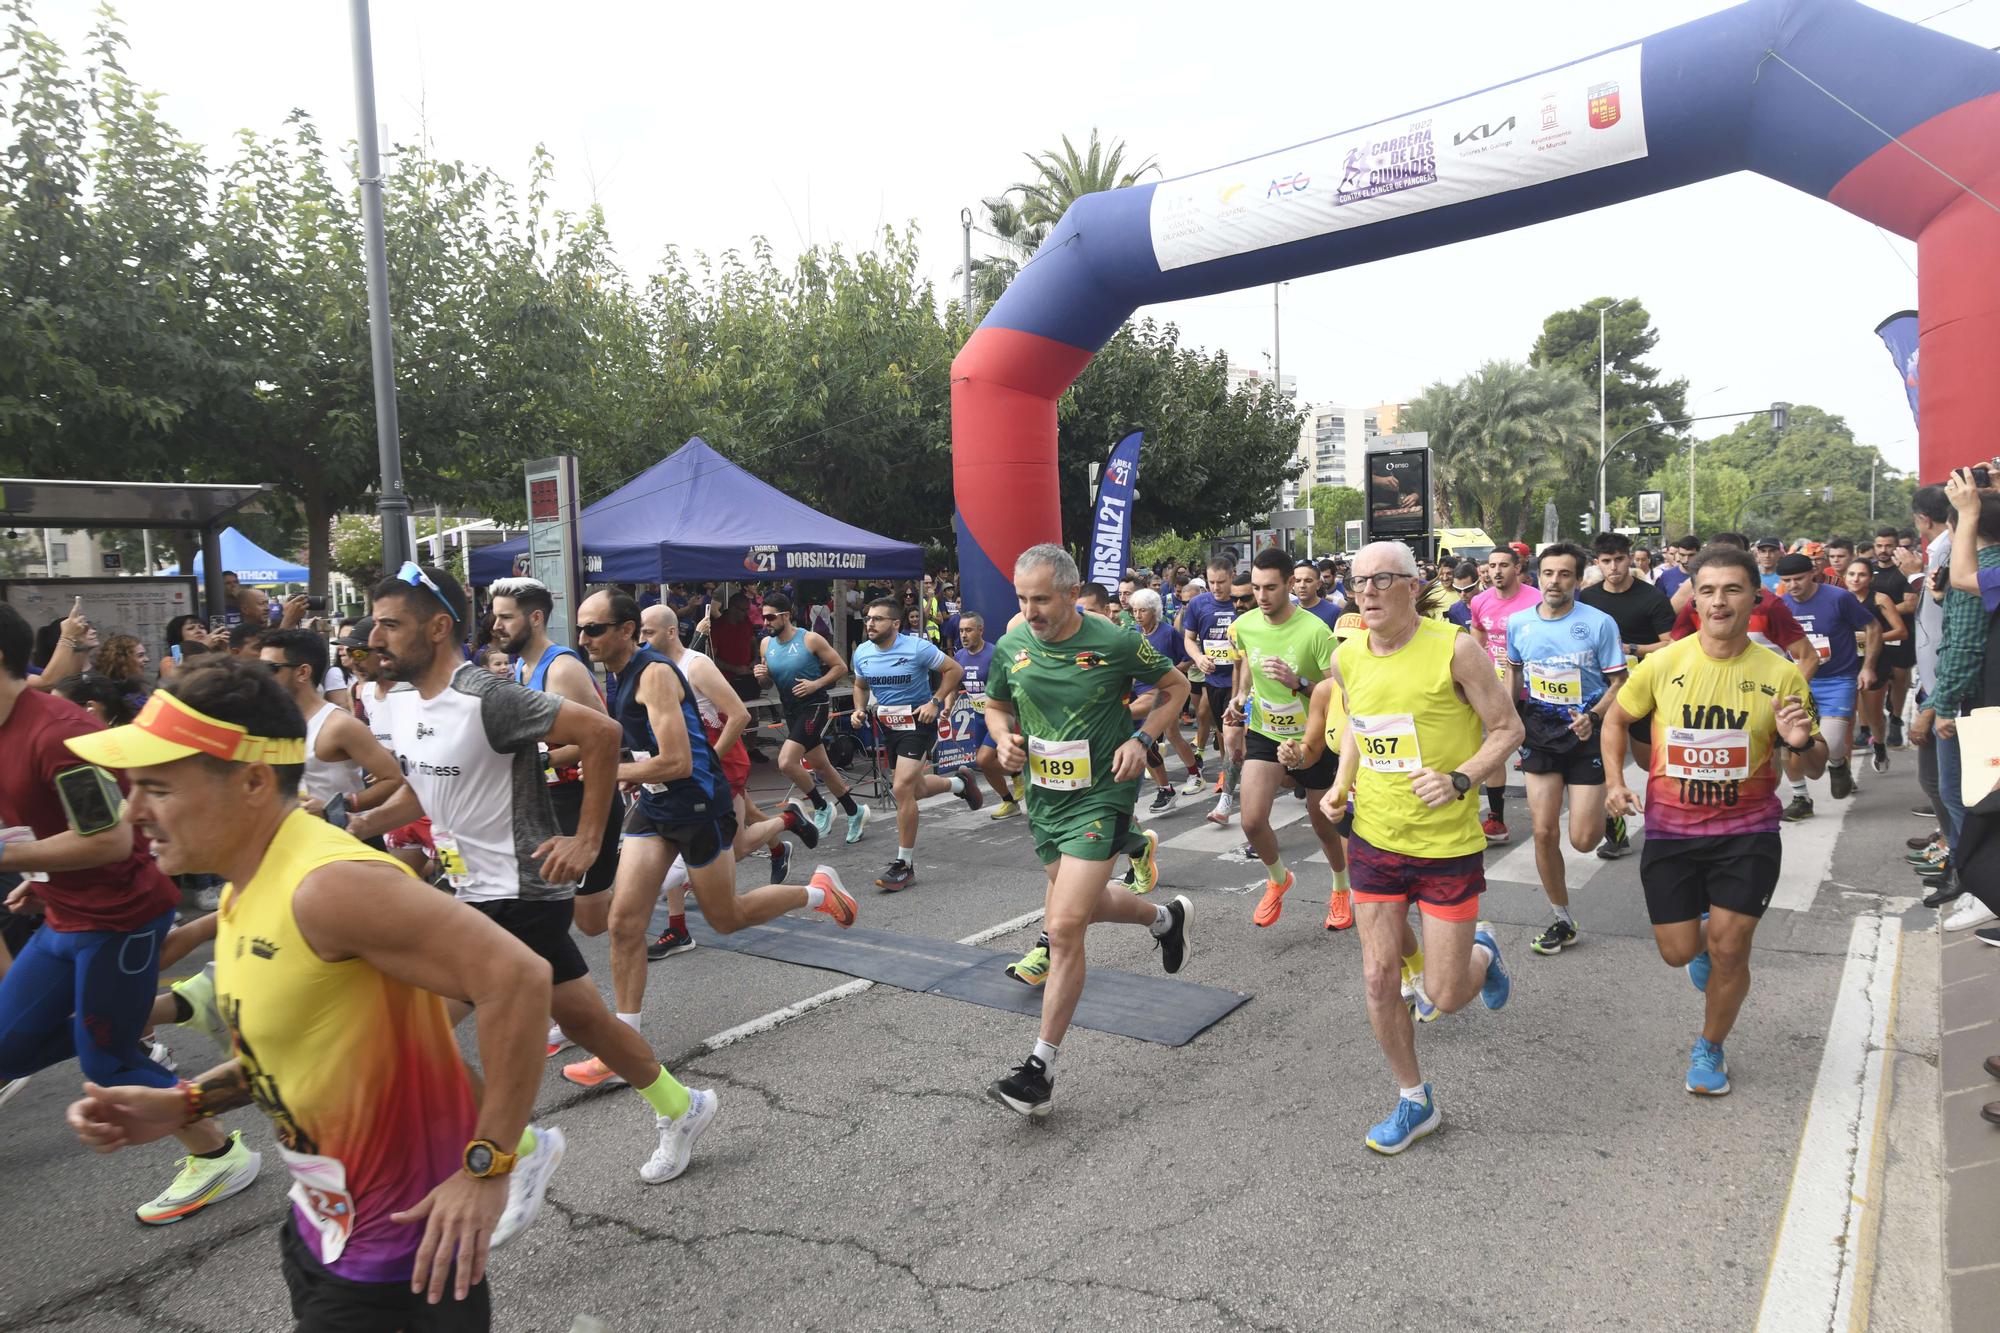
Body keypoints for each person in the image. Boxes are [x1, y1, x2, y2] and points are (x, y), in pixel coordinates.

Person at [62, 656, 561, 1326]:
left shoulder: (330, 884)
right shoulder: (250, 879)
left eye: (157, 787)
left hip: (400, 1262)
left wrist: (487, 1166)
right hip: (320, 1227)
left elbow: (519, 978)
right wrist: (180, 1101)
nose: (133, 811)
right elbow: (303, 1047)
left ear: (252, 781)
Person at [348, 565, 719, 1185]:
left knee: (416, 1032)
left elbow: (601, 734)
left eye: (390, 624)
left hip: (518, 889)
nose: (375, 638)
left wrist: (587, 838)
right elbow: (427, 789)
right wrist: (357, 824)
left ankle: (511, 1152)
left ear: (438, 628)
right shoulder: (411, 706)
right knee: (583, 1020)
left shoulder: (486, 696)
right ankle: (681, 1107)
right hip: (474, 889)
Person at [0, 607, 263, 1226]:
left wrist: (13, 857)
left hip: (120, 916)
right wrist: (38, 877)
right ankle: (170, 1009)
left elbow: (112, 841)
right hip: (65, 912)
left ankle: (220, 1154)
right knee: (7, 1046)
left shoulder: (56, 733)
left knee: (108, 1059)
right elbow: (55, 831)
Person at [573, 588, 855, 1081]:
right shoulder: (617, 676)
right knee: (623, 922)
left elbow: (678, 760)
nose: (583, 638)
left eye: (594, 629)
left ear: (625, 631)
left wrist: (614, 772)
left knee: (727, 918)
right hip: (657, 807)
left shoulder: (658, 674)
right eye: (581, 628)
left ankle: (817, 892)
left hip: (698, 805)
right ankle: (624, 1047)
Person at [1318, 542, 1522, 1154]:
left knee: (1445, 995)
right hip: (1376, 837)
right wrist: (1340, 785)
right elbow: (1359, 722)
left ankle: (1483, 954)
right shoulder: (1347, 655)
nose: (1369, 592)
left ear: (1414, 585)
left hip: (1446, 845)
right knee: (1380, 979)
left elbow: (1508, 728)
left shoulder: (1456, 649)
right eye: (1359, 582)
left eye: (1383, 580)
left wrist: (1460, 778)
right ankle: (1414, 1100)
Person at [1603, 544, 1825, 1097]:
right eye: (1707, 590)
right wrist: (1613, 782)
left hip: (1747, 832)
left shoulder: (1781, 676)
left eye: (1731, 589)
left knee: (1731, 948)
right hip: (1672, 831)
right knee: (1679, 951)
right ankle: (1701, 949)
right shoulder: (1663, 664)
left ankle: (1711, 1044)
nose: (1719, 601)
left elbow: (1814, 766)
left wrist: (1801, 743)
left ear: (1755, 597)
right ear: (1694, 599)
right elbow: (1617, 719)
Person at [982, 545, 1194, 1117]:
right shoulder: (1012, 645)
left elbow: (1177, 689)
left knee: (1066, 923)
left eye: (1042, 599)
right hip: (1046, 799)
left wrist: (1143, 739)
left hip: (1104, 794)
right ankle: (1164, 918)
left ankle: (1038, 1071)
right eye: (1023, 599)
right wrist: (1003, 737)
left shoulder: (1116, 640)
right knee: (1090, 901)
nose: (1031, 611)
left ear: (1073, 594)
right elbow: (996, 705)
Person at [485, 578, 625, 935]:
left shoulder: (561, 669)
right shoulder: (519, 668)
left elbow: (603, 739)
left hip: (582, 800)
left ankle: (642, 882)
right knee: (548, 909)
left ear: (534, 618)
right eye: (495, 617)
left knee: (592, 922)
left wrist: (542, 760)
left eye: (506, 617)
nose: (496, 626)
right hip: (546, 800)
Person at [1507, 543, 1627, 955]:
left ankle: (1608, 818)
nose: (1554, 582)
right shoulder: (1519, 623)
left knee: (1581, 840)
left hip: (1585, 736)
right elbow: (1515, 672)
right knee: (1542, 831)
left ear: (1578, 580)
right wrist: (1509, 719)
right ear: (1537, 576)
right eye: (1548, 573)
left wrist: (1593, 717)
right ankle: (1561, 918)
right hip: (1540, 734)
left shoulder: (1599, 623)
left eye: (1564, 575)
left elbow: (1618, 681)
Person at [1225, 548, 1349, 929]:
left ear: (1290, 585)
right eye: (1257, 588)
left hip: (1313, 738)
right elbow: (1247, 662)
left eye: (1271, 588)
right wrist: (1242, 696)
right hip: (1265, 731)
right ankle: (1279, 878)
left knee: (1323, 825)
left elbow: (1342, 687)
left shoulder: (1315, 631)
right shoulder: (1245, 624)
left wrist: (1299, 683)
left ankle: (1341, 888)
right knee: (1251, 820)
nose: (1262, 596)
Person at [850, 597, 979, 890]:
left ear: (895, 624)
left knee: (901, 788)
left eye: (877, 619)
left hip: (918, 721)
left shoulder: (916, 647)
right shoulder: (863, 653)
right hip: (889, 726)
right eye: (868, 618)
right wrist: (859, 709)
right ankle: (959, 784)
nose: (870, 623)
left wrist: (935, 701)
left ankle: (904, 864)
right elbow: (860, 686)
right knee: (914, 788)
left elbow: (954, 671)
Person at [1579, 531, 1679, 857]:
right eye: (1606, 561)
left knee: (1652, 764)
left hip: (1644, 693)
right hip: (1603, 693)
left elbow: (1672, 644)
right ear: (1597, 563)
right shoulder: (1588, 598)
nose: (1613, 567)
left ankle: (1670, 823)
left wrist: (1632, 648)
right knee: (1607, 764)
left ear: (1630, 558)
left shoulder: (1651, 598)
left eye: (1619, 560)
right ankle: (1616, 834)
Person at [1931, 472, 2000, 929]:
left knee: (1975, 800)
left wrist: (1943, 704)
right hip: (1983, 702)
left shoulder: (1983, 569)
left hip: (1979, 706)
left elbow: (1966, 645)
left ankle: (1982, 887)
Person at [256, 629, 406, 828]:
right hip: (292, 841)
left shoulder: (339, 725)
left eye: (271, 669)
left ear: (302, 672)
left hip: (342, 842)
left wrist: (337, 807)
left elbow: (393, 778)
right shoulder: (269, 722)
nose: (262, 677)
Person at [754, 592, 866, 842]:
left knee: (785, 762)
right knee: (822, 767)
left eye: (770, 617)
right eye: (763, 618)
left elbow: (840, 667)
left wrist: (815, 684)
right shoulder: (765, 644)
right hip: (791, 709)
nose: (765, 623)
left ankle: (821, 806)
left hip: (815, 705)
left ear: (785, 615)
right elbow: (767, 680)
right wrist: (761, 675)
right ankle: (854, 811)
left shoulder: (810, 639)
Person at [1776, 552, 1879, 813]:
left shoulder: (1838, 597)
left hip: (1838, 680)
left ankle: (1837, 764)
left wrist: (1867, 667)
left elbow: (1873, 627)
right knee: (1789, 742)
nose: (1793, 585)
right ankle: (1801, 798)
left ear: (1813, 573)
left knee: (1831, 743)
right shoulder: (1781, 605)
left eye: (1798, 578)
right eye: (1786, 580)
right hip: (1797, 681)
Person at [1466, 545, 1541, 843]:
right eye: (1492, 565)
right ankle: (1496, 820)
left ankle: (1548, 811)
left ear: (1518, 568)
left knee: (1537, 756)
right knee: (1495, 752)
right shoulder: (1480, 601)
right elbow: (1477, 641)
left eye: (1503, 565)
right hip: (1496, 690)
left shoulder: (1536, 600)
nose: (1496, 571)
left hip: (1535, 691)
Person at [1128, 589, 1203, 815]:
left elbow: (1188, 656)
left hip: (1166, 693)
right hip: (1139, 694)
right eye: (1135, 610)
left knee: (1171, 734)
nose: (1138, 615)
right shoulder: (1132, 633)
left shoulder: (1168, 633)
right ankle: (1166, 788)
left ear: (1155, 611)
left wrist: (1172, 673)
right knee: (1146, 740)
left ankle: (1193, 774)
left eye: (1143, 610)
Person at [1182, 555, 1245, 824]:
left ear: (1233, 575)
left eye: (1221, 581)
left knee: (1235, 739)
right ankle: (1228, 773)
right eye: (1211, 582)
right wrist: (1198, 658)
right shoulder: (1198, 604)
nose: (1217, 587)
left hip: (1243, 682)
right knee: (1225, 737)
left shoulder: (1244, 602)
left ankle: (1228, 798)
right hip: (1214, 681)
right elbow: (1189, 639)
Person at [952, 612, 1027, 818]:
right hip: (978, 717)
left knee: (984, 759)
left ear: (980, 630)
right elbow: (953, 683)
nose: (964, 635)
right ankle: (1009, 801)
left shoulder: (996, 653)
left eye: (968, 630)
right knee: (983, 763)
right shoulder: (959, 656)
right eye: (961, 631)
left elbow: (1015, 682)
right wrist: (947, 708)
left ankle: (1019, 772)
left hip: (1002, 715)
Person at [1843, 558, 1907, 774]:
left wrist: (1871, 636)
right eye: (1851, 574)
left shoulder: (1880, 599)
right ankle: (1845, 772)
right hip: (1845, 662)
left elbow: (1901, 631)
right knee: (1845, 719)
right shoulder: (1839, 598)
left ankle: (1879, 745)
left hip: (1875, 660)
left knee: (1874, 716)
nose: (1855, 579)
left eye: (1861, 574)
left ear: (1870, 578)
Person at [1870, 526, 1921, 747]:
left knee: (1899, 677)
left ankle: (1897, 718)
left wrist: (1882, 610)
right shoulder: (1867, 571)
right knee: (1872, 678)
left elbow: (1911, 604)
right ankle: (1868, 726)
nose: (1883, 550)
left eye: (1888, 545)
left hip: (1901, 634)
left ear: (1897, 546)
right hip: (1872, 634)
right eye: (1879, 545)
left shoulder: (1905, 571)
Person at [1291, 560, 1342, 630]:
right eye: (1297, 581)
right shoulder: (1287, 610)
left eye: (1308, 581)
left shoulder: (1334, 612)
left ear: (1318, 584)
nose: (1302, 585)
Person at [1443, 562, 1479, 629]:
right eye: (1458, 590)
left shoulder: (1491, 604)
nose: (1463, 594)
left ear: (1477, 583)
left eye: (1467, 589)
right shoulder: (1455, 610)